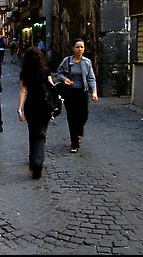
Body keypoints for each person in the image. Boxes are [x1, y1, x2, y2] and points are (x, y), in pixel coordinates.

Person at [55, 38, 98, 153]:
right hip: (70, 93)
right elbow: (58, 74)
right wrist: (65, 79)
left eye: (82, 47)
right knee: (72, 117)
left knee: (83, 116)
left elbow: (91, 78)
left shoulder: (87, 62)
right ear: (73, 48)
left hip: (82, 92)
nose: (80, 49)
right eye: (77, 47)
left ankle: (79, 133)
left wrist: (94, 92)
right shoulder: (67, 61)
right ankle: (74, 143)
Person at [17, 47, 54, 179]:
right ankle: (37, 162)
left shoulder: (24, 73)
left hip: (31, 106)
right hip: (44, 106)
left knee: (32, 133)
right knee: (41, 135)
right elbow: (51, 88)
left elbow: (23, 91)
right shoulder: (45, 71)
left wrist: (19, 108)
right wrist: (54, 108)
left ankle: (33, 161)